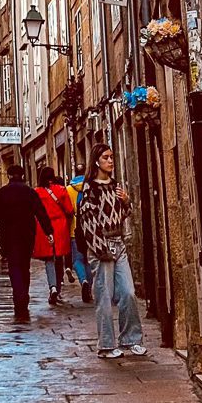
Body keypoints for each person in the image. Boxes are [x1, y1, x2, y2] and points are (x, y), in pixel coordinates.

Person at [75, 143, 145, 358]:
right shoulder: (89, 189)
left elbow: (124, 214)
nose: (111, 161)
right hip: (101, 247)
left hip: (119, 243)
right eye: (106, 157)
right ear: (96, 161)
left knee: (128, 292)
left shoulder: (115, 186)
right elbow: (87, 222)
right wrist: (100, 249)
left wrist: (126, 201)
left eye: (112, 157)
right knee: (104, 296)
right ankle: (106, 345)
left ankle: (130, 339)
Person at [0, 154, 53, 322]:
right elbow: (40, 212)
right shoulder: (29, 192)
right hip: (27, 235)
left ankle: (19, 298)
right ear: (23, 175)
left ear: (9, 176)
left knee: (14, 267)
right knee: (24, 266)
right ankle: (24, 296)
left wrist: (4, 219)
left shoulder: (2, 192)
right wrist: (49, 231)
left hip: (9, 235)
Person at [35, 164, 74, 307]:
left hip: (44, 228)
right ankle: (58, 288)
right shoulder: (61, 190)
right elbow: (69, 210)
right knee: (59, 258)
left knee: (49, 259)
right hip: (60, 226)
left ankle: (52, 287)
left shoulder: (37, 192)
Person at [68, 164, 93, 302]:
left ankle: (83, 280)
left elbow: (67, 210)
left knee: (77, 260)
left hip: (74, 229)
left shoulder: (68, 190)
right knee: (88, 260)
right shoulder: (91, 186)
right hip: (90, 229)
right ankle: (88, 289)